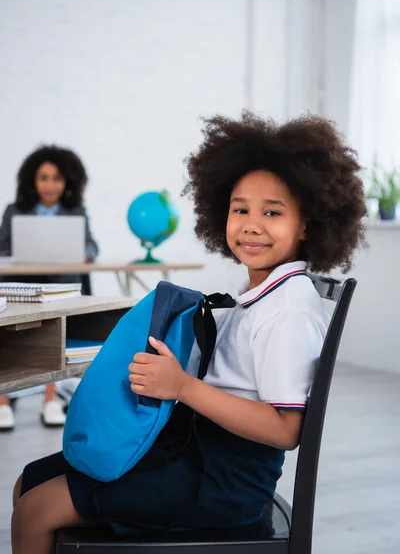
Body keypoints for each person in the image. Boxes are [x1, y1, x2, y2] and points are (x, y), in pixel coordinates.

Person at [10, 112, 366, 554]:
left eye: (272, 212)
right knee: (30, 482)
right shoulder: (260, 295)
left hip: (221, 483)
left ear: (308, 223)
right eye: (240, 209)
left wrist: (182, 386)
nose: (252, 224)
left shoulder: (289, 309)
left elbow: (285, 429)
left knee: (36, 509)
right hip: (194, 450)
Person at [0, 145, 99, 431]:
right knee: (6, 335)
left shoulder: (75, 211)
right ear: (33, 180)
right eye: (43, 177)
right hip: (20, 285)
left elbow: (92, 245)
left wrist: (85, 253)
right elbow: (3, 246)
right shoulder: (14, 211)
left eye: (57, 178)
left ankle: (50, 399)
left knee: (59, 331)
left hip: (60, 285)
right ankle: (3, 401)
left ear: (67, 182)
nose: (50, 185)